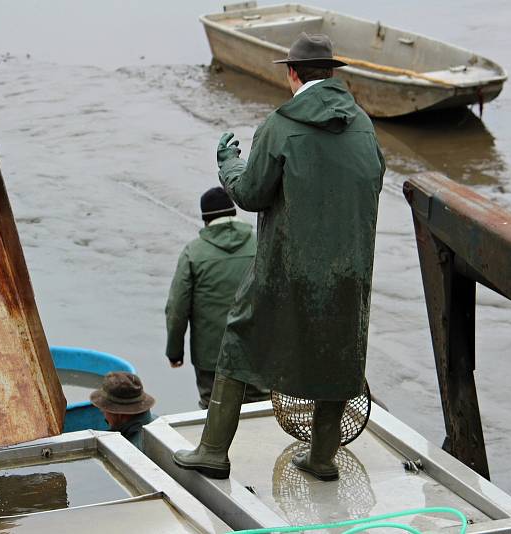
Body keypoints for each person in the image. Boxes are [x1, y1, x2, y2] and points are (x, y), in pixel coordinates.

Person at [173, 33, 385, 481]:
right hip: (350, 273)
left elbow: (249, 193)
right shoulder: (363, 125)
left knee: (238, 340)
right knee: (339, 352)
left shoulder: (281, 125)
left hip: (285, 272)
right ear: (331, 73)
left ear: (292, 74)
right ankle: (322, 458)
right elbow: (374, 179)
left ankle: (213, 451)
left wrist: (228, 163)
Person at [165, 187, 268, 409]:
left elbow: (177, 309)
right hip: (259, 351)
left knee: (215, 410)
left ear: (205, 220)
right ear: (234, 212)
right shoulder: (262, 244)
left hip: (212, 357)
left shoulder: (193, 253)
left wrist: (175, 352)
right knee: (260, 408)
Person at [90, 372, 156, 449]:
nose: (101, 411)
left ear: (120, 414)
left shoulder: (129, 448)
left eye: (105, 410)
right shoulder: (154, 420)